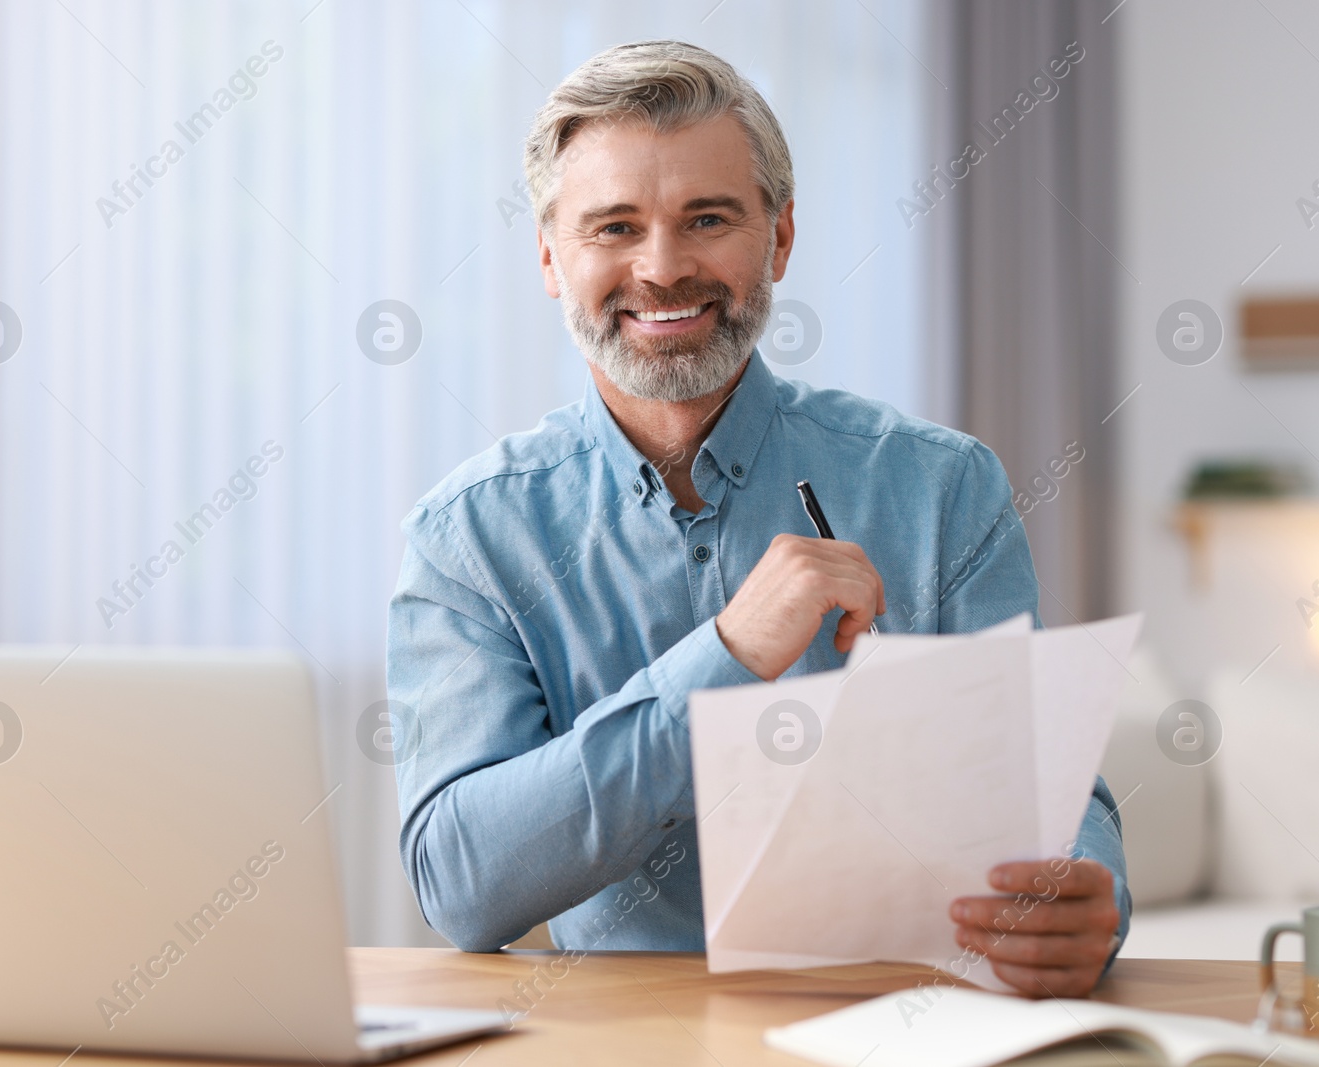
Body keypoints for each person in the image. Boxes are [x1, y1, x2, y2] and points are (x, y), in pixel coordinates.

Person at [387, 39, 1128, 997]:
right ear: (549, 257)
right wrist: (725, 656)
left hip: (903, 1030)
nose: (661, 268)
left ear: (778, 239)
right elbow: (462, 884)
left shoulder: (944, 487)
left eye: (707, 218)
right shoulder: (468, 537)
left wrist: (1087, 892)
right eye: (613, 226)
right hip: (614, 1048)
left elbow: (1049, 791)